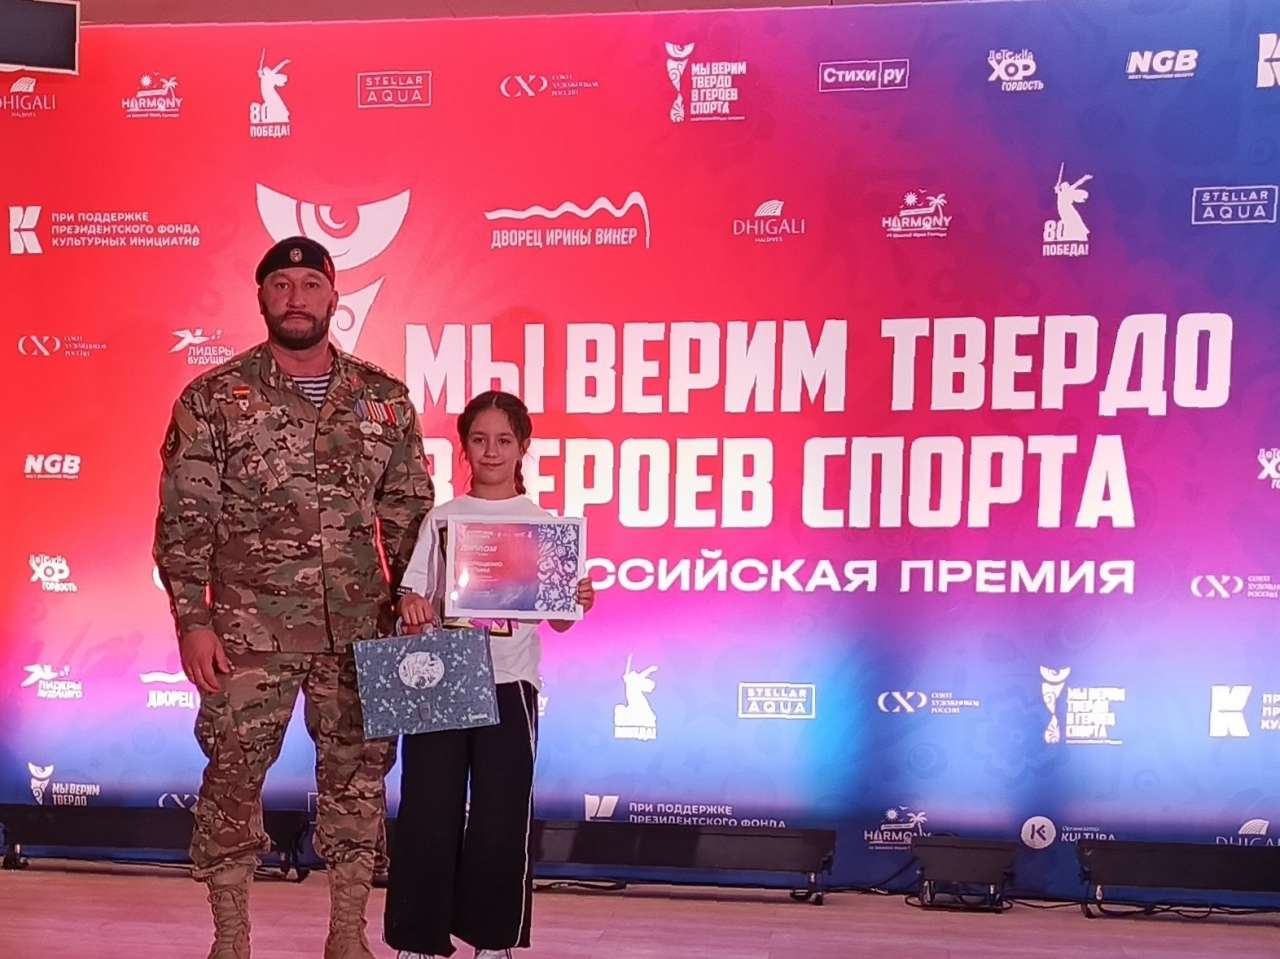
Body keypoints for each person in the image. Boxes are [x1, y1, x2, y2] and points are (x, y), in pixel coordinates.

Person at [153, 235, 433, 959]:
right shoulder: (213, 399)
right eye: (282, 285)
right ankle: (230, 939)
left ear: (334, 297)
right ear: (262, 298)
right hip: (248, 633)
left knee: (359, 781)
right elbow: (185, 521)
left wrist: (418, 600)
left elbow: (411, 513)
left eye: (311, 285)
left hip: (361, 630)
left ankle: (347, 934)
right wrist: (192, 621)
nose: (297, 298)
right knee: (232, 778)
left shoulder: (382, 399)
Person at [384, 390, 596, 959]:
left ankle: (493, 939)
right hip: (443, 677)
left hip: (511, 681)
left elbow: (560, 621)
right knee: (428, 809)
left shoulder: (543, 526)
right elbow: (412, 593)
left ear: (523, 446)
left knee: (501, 814)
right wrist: (410, 606)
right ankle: (418, 940)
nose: (492, 451)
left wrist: (577, 599)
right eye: (479, 440)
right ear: (464, 447)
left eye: (504, 440)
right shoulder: (442, 518)